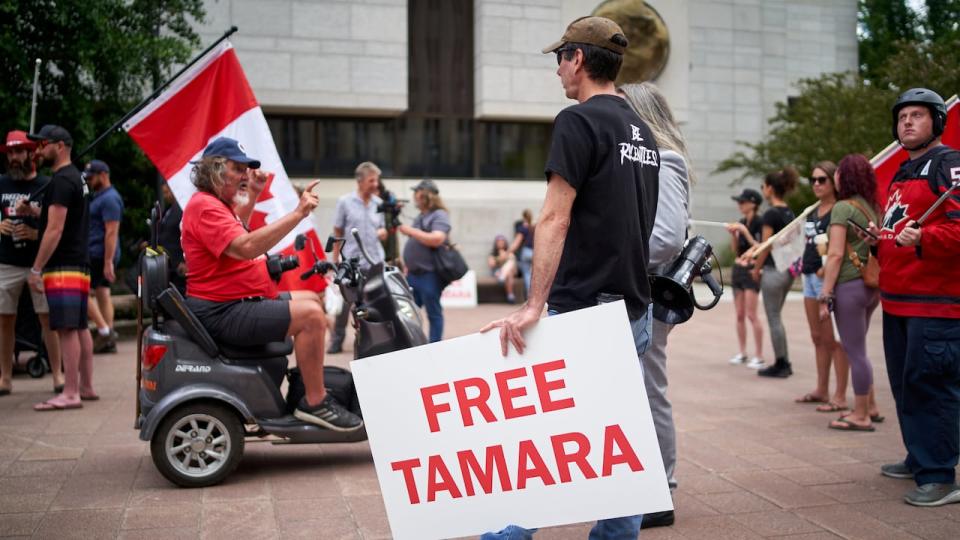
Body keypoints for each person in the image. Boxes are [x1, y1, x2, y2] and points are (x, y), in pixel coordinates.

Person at [480, 16, 659, 538]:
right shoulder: (641, 130)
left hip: (585, 308)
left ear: (578, 59)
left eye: (560, 58)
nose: (557, 69)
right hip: (632, 305)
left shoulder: (577, 121)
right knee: (617, 437)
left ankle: (507, 535)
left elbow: (556, 216)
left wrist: (534, 304)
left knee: (545, 433)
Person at [180, 137, 362, 432]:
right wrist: (298, 214)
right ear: (214, 169)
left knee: (312, 300)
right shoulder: (205, 206)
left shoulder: (213, 204)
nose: (244, 174)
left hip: (229, 302)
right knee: (313, 318)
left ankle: (306, 379)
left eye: (245, 170)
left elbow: (238, 229)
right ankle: (315, 403)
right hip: (221, 311)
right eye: (237, 169)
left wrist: (253, 192)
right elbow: (246, 246)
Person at [861, 88, 960, 506]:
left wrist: (924, 237)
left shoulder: (949, 164)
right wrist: (877, 240)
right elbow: (900, 229)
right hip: (897, 299)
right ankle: (920, 455)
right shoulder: (904, 172)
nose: (907, 123)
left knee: (931, 386)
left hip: (934, 303)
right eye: (902, 117)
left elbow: (955, 227)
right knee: (906, 385)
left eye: (917, 116)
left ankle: (939, 474)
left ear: (936, 121)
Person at [619, 81, 691, 529]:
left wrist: (614, 262)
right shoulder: (642, 159)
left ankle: (661, 489)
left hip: (644, 289)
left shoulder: (665, 159)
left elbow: (666, 237)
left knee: (648, 386)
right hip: (632, 288)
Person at [24, 125, 95, 411]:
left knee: (66, 328)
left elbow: (55, 229)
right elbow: (63, 216)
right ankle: (86, 387)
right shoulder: (76, 177)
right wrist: (36, 213)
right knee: (79, 326)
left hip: (63, 264)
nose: (39, 150)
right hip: (78, 261)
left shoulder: (61, 181)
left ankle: (70, 392)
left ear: (60, 146)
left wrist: (36, 269)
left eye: (44, 144)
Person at [818, 154, 881, 432]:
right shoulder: (870, 207)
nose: (835, 178)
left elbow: (834, 254)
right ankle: (871, 406)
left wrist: (825, 292)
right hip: (870, 287)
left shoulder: (842, 208)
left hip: (849, 285)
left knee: (855, 352)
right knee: (860, 350)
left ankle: (860, 414)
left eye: (838, 173)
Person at [0, 130, 62, 395]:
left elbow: (57, 225)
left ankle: (58, 375)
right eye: (10, 152)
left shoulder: (46, 185)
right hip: (6, 262)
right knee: (5, 320)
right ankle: (5, 378)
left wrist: (35, 232)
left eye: (19, 152)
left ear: (30, 154)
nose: (14, 157)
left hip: (38, 262)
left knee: (48, 319)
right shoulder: (1, 184)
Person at [795, 162, 849, 412]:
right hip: (808, 278)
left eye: (822, 180)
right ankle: (821, 388)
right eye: (813, 179)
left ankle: (839, 395)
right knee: (817, 337)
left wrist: (826, 271)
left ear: (834, 182)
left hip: (827, 278)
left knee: (833, 340)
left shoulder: (839, 210)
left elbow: (842, 248)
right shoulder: (813, 209)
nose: (816, 184)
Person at [327, 161, 387, 354]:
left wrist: (383, 232)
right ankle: (337, 340)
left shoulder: (379, 204)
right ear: (360, 181)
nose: (375, 184)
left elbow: (382, 227)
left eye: (377, 180)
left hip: (374, 261)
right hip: (351, 263)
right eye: (371, 180)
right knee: (346, 305)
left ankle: (371, 340)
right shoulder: (345, 202)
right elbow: (337, 230)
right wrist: (335, 260)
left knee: (374, 304)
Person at [752, 168, 799, 378]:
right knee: (776, 316)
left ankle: (782, 363)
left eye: (763, 186)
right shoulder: (789, 212)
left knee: (773, 317)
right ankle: (783, 360)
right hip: (787, 270)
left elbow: (766, 245)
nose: (763, 189)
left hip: (773, 270)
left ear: (770, 188)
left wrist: (756, 267)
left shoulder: (771, 213)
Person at [399, 179, 450, 343]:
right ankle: (413, 344)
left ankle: (434, 347)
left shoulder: (439, 215)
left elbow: (437, 238)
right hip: (414, 274)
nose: (414, 196)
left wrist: (410, 231)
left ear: (425, 195)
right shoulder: (422, 216)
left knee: (433, 313)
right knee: (409, 313)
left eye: (416, 192)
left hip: (429, 274)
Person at [83, 160, 123, 353]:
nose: (89, 181)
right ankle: (109, 335)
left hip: (99, 254)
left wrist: (108, 261)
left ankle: (104, 331)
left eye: (92, 177)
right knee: (102, 293)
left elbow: (111, 231)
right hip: (99, 253)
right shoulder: (101, 197)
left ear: (103, 174)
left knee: (82, 291)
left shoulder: (109, 199)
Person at [726, 188, 765, 369]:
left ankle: (759, 354)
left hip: (751, 270)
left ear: (753, 203)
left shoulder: (759, 222)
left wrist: (743, 230)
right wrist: (734, 234)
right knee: (740, 314)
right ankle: (742, 352)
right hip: (738, 270)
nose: (739, 205)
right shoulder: (741, 222)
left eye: (742, 202)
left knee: (751, 314)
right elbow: (736, 250)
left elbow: (760, 246)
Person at [157, 183, 186, 294]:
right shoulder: (168, 210)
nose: (165, 196)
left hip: (178, 260)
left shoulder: (182, 209)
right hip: (168, 259)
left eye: (167, 192)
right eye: (164, 193)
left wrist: (184, 261)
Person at [509, 209, 535, 294]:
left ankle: (530, 297)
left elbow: (517, 242)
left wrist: (508, 252)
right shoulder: (534, 227)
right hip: (536, 253)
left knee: (527, 274)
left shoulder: (523, 228)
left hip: (526, 251)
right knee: (535, 275)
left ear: (523, 217)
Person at [488, 234, 518, 303]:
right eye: (499, 242)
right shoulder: (493, 254)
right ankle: (510, 296)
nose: (500, 243)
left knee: (510, 267)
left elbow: (515, 267)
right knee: (509, 274)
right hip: (497, 272)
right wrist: (500, 258)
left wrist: (506, 255)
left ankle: (502, 275)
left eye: (502, 242)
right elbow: (491, 264)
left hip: (507, 273)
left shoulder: (509, 253)